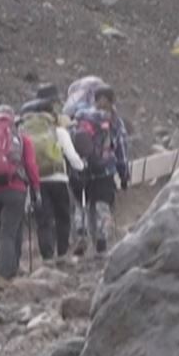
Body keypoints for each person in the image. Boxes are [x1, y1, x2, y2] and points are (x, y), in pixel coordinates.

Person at [0, 105, 42, 281]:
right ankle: (4, 275)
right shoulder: (22, 139)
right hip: (15, 189)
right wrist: (36, 188)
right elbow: (31, 166)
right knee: (9, 232)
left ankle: (9, 267)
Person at [18, 92, 87, 262]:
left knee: (44, 219)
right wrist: (81, 167)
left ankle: (47, 257)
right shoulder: (58, 131)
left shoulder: (23, 133)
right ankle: (62, 254)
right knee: (63, 216)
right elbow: (72, 156)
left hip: (36, 181)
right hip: (58, 179)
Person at [72, 85, 132, 255]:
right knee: (102, 207)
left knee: (82, 205)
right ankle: (101, 240)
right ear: (113, 101)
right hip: (104, 170)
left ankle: (81, 233)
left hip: (82, 170)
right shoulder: (114, 121)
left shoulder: (81, 117)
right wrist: (124, 175)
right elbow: (121, 147)